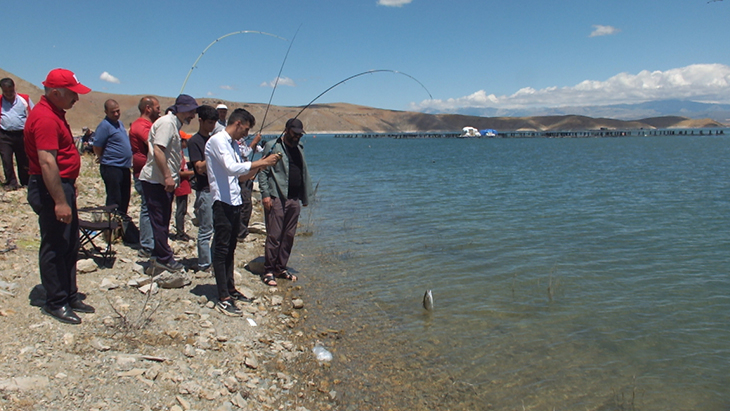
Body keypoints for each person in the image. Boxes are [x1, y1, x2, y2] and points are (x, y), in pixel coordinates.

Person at [24, 68, 94, 324]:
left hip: (61, 185)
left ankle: (69, 293)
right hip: (49, 187)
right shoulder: (44, 118)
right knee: (55, 243)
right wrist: (60, 200)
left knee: (70, 243)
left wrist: (68, 185)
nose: (76, 99)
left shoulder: (55, 114)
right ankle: (56, 301)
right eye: (72, 94)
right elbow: (47, 162)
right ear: (55, 93)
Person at [205, 108, 279, 316]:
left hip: (235, 200)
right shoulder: (218, 141)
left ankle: (230, 288)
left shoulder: (232, 144)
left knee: (230, 248)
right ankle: (223, 297)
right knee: (221, 250)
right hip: (222, 202)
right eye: (245, 130)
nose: (245, 135)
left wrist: (261, 166)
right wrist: (262, 161)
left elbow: (241, 175)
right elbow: (230, 168)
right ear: (237, 123)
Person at [138, 94, 198, 272]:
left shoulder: (173, 124)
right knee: (159, 220)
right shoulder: (167, 123)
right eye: (191, 112)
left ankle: (159, 254)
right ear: (182, 109)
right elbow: (158, 150)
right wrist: (167, 177)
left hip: (162, 180)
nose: (192, 116)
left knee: (163, 219)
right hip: (156, 180)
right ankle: (164, 258)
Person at [259, 118, 312, 287]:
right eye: (295, 133)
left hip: (294, 198)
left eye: (300, 134)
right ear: (287, 130)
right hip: (277, 196)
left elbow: (303, 172)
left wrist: (305, 196)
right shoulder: (273, 146)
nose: (297, 137)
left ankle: (280, 268)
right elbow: (262, 171)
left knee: (289, 236)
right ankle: (268, 270)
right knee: (274, 235)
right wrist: (266, 195)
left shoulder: (300, 148)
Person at [129, 96, 161, 258]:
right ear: (148, 108)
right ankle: (147, 245)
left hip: (149, 173)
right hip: (144, 174)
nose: (159, 111)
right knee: (148, 208)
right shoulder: (141, 126)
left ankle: (152, 242)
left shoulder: (148, 125)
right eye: (157, 108)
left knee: (152, 208)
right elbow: (154, 142)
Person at [187, 105, 218, 272]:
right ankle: (204, 263)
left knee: (216, 227)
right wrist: (213, 154)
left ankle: (213, 260)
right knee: (206, 229)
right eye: (209, 122)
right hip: (204, 190)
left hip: (216, 189)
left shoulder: (213, 140)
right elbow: (199, 167)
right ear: (200, 121)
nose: (212, 126)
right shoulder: (195, 142)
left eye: (214, 123)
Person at [92, 99, 132, 217]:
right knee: (115, 198)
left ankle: (121, 224)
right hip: (112, 167)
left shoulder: (120, 124)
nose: (116, 114)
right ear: (106, 112)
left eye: (118, 111)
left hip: (124, 167)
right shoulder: (104, 126)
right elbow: (97, 146)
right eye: (112, 112)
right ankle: (111, 224)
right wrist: (102, 157)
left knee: (125, 197)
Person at [0, 77, 33, 190]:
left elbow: (33, 115)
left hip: (21, 134)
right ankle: (11, 182)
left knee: (23, 159)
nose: (9, 94)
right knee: (6, 159)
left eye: (11, 91)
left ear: (15, 88)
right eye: (6, 91)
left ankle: (26, 182)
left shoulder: (24, 99)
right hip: (4, 135)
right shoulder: (0, 101)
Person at [237, 132, 262, 242]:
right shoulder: (232, 140)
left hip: (247, 175)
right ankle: (240, 234)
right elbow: (245, 153)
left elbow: (252, 150)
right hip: (240, 176)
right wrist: (254, 142)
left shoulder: (241, 140)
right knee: (244, 204)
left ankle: (243, 231)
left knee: (247, 205)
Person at [173, 132, 194, 241]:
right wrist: (193, 172)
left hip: (185, 185)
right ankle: (179, 233)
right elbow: (180, 172)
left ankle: (181, 231)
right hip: (181, 185)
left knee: (183, 208)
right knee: (181, 209)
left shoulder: (180, 153)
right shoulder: (177, 154)